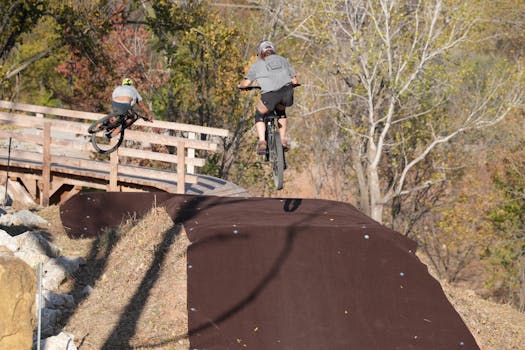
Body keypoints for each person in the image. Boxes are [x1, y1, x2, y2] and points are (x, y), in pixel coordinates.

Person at [238, 41, 299, 155]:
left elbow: (245, 84)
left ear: (260, 53)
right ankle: (283, 140)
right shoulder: (283, 60)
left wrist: (240, 86)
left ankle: (262, 142)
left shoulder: (257, 64)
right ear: (273, 51)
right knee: (281, 112)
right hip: (287, 92)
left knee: (259, 114)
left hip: (270, 95)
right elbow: (295, 81)